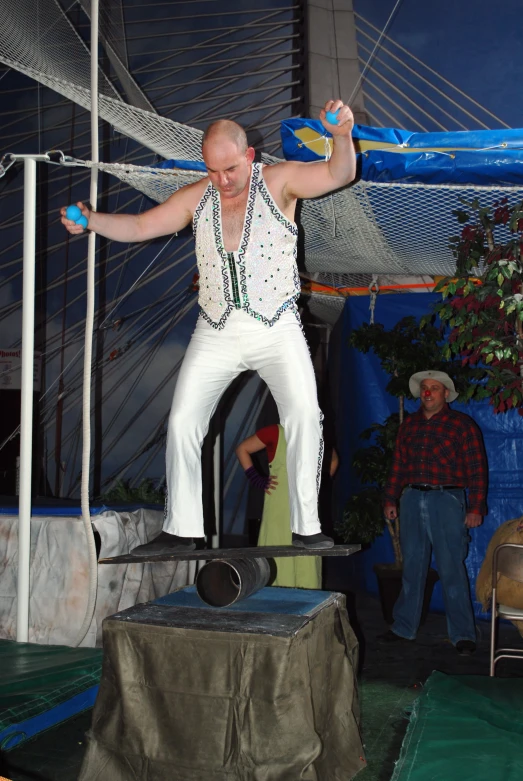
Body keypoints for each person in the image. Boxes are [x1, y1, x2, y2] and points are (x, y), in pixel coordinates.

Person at [61, 100, 356, 553]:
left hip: (276, 325)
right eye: (214, 171)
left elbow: (339, 174)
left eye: (230, 169)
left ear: (249, 157)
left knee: (304, 416)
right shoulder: (198, 196)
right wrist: (92, 222)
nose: (223, 180)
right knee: (182, 422)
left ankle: (307, 526)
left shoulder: (281, 181)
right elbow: (142, 226)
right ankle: (182, 529)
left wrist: (340, 136)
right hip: (216, 328)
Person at [382, 370, 488, 655]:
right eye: (425, 388)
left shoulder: (462, 426)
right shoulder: (409, 427)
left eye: (434, 388)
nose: (428, 392)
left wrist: (476, 507)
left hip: (447, 500)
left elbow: (478, 470)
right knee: (412, 567)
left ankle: (463, 634)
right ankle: (404, 627)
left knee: (452, 568)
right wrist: (391, 498)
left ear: (445, 394)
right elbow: (398, 466)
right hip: (412, 499)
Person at [236, 424, 339, 588]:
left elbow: (333, 459)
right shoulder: (276, 432)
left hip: (306, 509)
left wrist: (321, 482)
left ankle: (308, 606)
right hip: (279, 509)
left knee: (307, 561)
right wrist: (256, 478)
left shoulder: (315, 433)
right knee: (276, 556)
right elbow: (242, 449)